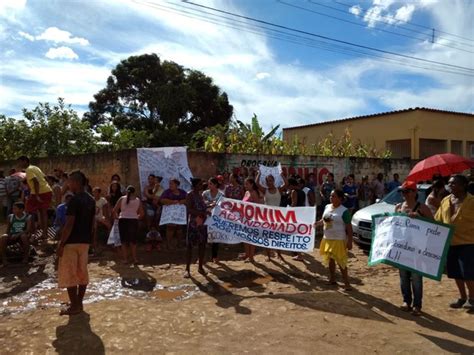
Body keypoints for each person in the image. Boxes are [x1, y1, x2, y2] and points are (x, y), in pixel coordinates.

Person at [56, 170, 96, 316]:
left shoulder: (74, 200)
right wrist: (91, 242)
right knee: (82, 273)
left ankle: (74, 306)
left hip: (71, 242)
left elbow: (69, 224)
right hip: (84, 242)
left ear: (77, 182)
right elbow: (92, 224)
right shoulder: (91, 199)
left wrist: (61, 243)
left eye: (70, 181)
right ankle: (78, 303)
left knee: (70, 274)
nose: (68, 184)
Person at [435, 175, 474, 310]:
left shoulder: (472, 201)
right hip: (450, 243)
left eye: (454, 184)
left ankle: (472, 298)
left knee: (468, 273)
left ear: (463, 186)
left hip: (468, 243)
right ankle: (462, 297)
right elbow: (438, 220)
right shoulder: (445, 200)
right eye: (449, 184)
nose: (450, 186)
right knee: (456, 273)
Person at [395, 180, 433, 316]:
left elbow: (434, 227)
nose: (404, 194)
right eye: (403, 191)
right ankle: (406, 301)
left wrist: (420, 217)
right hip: (402, 247)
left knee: (416, 277)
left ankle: (417, 305)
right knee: (403, 276)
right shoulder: (398, 207)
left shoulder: (422, 208)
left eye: (407, 191)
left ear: (414, 192)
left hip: (417, 248)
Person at [316, 189, 353, 291]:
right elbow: (323, 220)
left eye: (334, 196)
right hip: (327, 238)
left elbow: (349, 228)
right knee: (330, 260)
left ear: (340, 198)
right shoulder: (327, 207)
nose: (331, 198)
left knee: (341, 262)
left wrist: (349, 241)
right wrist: (317, 224)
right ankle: (332, 279)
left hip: (339, 239)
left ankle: (347, 283)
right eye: (331, 196)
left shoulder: (344, 211)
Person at [17, 156, 53, 241]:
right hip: (46, 190)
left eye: (20, 162)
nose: (19, 164)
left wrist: (36, 195)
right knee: (43, 212)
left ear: (25, 161)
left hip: (39, 192)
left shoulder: (29, 170)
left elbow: (36, 181)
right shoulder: (35, 167)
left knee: (29, 211)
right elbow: (45, 178)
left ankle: (31, 233)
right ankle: (44, 234)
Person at [256, 171, 288, 260]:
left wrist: (281, 175)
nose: (269, 182)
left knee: (278, 236)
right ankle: (269, 256)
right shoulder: (265, 190)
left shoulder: (279, 189)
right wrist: (259, 173)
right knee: (267, 236)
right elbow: (257, 183)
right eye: (267, 181)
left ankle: (279, 254)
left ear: (273, 181)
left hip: (278, 217)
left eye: (270, 180)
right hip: (267, 216)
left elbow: (286, 183)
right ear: (266, 182)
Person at [112, 185, 144, 265]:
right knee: (133, 241)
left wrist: (117, 217)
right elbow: (142, 213)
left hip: (123, 220)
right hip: (133, 220)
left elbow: (114, 210)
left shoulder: (122, 199)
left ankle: (125, 259)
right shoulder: (137, 200)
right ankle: (135, 258)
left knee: (123, 241)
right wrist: (136, 217)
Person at [185, 178, 208, 277]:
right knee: (190, 246)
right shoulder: (190, 195)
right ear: (195, 185)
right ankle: (187, 269)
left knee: (202, 245)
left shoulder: (200, 195)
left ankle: (200, 267)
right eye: (199, 184)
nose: (201, 186)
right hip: (193, 223)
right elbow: (189, 209)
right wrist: (202, 213)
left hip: (202, 224)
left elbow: (203, 207)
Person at [160, 179, 187, 250]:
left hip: (180, 214)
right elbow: (162, 200)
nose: (170, 185)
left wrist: (181, 201)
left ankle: (179, 243)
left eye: (172, 184)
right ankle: (169, 244)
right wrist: (172, 201)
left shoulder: (182, 192)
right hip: (170, 214)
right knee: (170, 227)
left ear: (177, 185)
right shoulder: (167, 192)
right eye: (170, 184)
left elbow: (187, 199)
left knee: (179, 228)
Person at [241, 178, 264, 262]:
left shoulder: (254, 193)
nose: (245, 185)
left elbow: (257, 206)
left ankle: (251, 256)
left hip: (252, 219)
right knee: (245, 237)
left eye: (247, 184)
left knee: (251, 238)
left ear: (252, 184)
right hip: (245, 218)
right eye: (244, 184)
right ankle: (247, 254)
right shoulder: (247, 192)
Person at [202, 177, 224, 263]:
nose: (209, 185)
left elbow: (222, 206)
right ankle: (202, 257)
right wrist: (210, 204)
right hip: (205, 217)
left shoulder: (221, 194)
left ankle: (215, 256)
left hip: (216, 218)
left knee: (215, 237)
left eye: (210, 184)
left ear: (215, 185)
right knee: (203, 237)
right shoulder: (205, 193)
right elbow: (202, 202)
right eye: (208, 183)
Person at [289, 177, 306, 261]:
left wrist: (287, 210)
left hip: (296, 215)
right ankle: (299, 253)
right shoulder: (302, 191)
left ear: (291, 185)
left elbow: (294, 204)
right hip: (302, 213)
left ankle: (299, 254)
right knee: (299, 233)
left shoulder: (293, 191)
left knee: (296, 234)